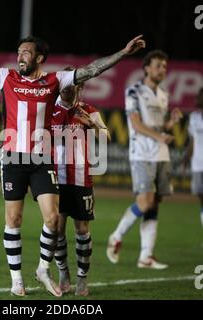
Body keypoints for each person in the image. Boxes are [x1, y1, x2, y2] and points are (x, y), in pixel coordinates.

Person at [0, 16, 145, 296]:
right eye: (18, 53)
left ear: (39, 57)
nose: (20, 57)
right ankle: (16, 279)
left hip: (42, 160)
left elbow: (91, 70)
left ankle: (42, 268)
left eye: (25, 53)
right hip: (14, 158)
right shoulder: (7, 77)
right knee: (13, 220)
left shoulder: (55, 80)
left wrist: (124, 53)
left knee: (53, 219)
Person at [106, 50, 183, 269]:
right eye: (158, 65)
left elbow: (160, 127)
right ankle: (116, 235)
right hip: (142, 154)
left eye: (165, 67)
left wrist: (171, 124)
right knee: (145, 202)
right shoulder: (134, 91)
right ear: (147, 68)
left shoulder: (163, 95)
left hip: (161, 154)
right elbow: (136, 124)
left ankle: (146, 256)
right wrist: (161, 136)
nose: (162, 70)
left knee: (154, 205)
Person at [51, 74, 111, 296]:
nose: (67, 90)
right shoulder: (48, 109)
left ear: (81, 87)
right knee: (56, 228)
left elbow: (107, 136)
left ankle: (82, 278)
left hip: (80, 178)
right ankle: (63, 273)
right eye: (63, 86)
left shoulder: (89, 109)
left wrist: (92, 124)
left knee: (82, 229)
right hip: (55, 179)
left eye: (72, 86)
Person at [183, 88, 203, 230]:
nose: (197, 98)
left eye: (200, 96)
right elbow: (192, 141)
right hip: (197, 164)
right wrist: (186, 159)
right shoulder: (194, 117)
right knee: (201, 199)